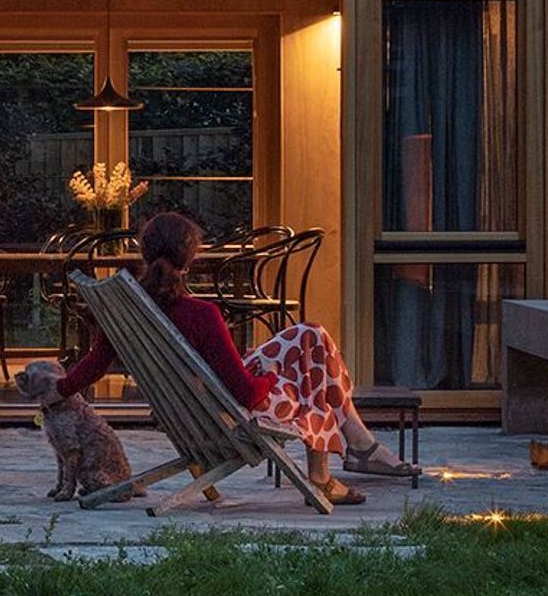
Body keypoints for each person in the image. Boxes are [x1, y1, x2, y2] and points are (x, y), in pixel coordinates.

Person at [52, 210, 415, 506]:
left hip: (195, 409)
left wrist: (60, 389)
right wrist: (271, 375)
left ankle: (359, 443)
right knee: (312, 375)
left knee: (310, 335)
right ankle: (329, 472)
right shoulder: (200, 315)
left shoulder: (126, 313)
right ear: (190, 259)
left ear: (145, 254)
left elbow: (95, 363)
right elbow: (247, 394)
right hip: (229, 415)